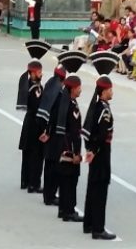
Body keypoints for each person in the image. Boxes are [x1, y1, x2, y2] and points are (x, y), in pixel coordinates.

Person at [82, 75, 116, 240]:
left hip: (95, 152)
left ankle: (88, 223)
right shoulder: (104, 109)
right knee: (100, 190)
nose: (112, 92)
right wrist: (94, 151)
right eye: (110, 89)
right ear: (103, 91)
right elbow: (102, 135)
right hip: (101, 154)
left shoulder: (96, 106)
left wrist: (90, 149)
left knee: (92, 187)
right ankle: (98, 228)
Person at [51, 75, 84, 223]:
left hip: (60, 146)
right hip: (68, 147)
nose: (81, 90)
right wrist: (76, 153)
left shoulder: (62, 102)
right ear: (73, 88)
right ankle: (69, 211)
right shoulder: (71, 106)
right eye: (79, 87)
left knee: (64, 180)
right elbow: (75, 132)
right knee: (70, 181)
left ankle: (63, 210)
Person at [37, 65, 66, 205]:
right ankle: (50, 195)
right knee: (53, 166)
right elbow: (56, 115)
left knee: (48, 165)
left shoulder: (50, 84)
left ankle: (47, 194)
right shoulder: (60, 93)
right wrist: (49, 131)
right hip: (54, 135)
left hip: (47, 131)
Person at [18, 61, 44, 193]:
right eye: (39, 72)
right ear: (33, 73)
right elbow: (37, 107)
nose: (42, 74)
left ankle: (25, 181)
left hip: (29, 122)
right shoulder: (35, 88)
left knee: (27, 153)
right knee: (36, 154)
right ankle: (33, 183)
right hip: (35, 123)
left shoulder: (29, 84)